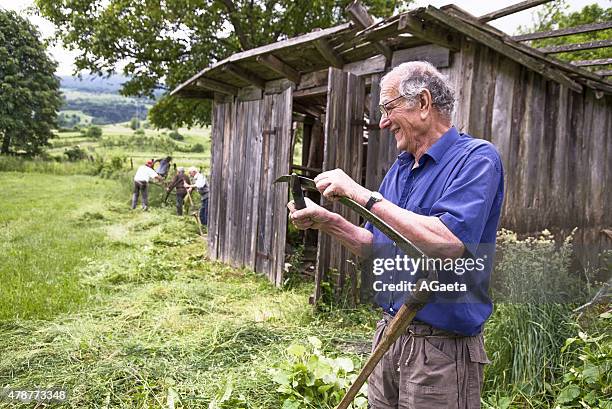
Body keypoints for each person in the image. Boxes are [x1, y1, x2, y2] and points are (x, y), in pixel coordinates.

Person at [287, 61, 504, 408]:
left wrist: (361, 194)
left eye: (388, 109)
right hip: (389, 335)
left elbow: (446, 244)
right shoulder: (402, 167)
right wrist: (326, 221)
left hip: (441, 350)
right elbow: (377, 246)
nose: (384, 122)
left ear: (422, 103)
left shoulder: (476, 159)